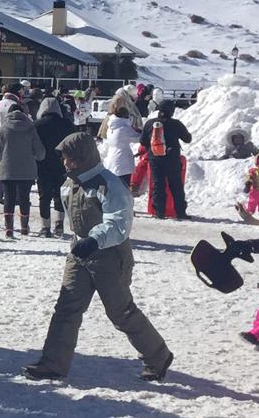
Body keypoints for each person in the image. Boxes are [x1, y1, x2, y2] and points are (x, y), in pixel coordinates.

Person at [22, 132, 173, 382]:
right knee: (66, 308)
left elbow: (119, 223)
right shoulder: (70, 184)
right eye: (64, 159)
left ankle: (158, 356)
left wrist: (95, 239)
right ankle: (52, 364)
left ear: (83, 157)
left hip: (109, 256)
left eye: (70, 158)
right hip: (80, 253)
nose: (65, 163)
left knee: (121, 312)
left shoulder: (109, 184)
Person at [0, 100, 44, 239]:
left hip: (7, 169)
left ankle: (9, 229)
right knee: (24, 198)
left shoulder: (1, 130)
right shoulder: (31, 129)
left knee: (9, 197)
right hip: (27, 170)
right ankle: (24, 227)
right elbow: (40, 152)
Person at [140, 99, 192, 220]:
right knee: (176, 186)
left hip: (155, 159)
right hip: (172, 159)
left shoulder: (149, 124)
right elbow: (187, 139)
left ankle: (159, 212)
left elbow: (143, 141)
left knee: (158, 185)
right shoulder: (176, 124)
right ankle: (180, 212)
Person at [35, 98, 76, 237]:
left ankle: (45, 227)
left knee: (44, 196)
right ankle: (59, 224)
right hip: (62, 165)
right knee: (60, 195)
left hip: (42, 164)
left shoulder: (37, 125)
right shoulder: (67, 124)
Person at [100, 99, 141, 187]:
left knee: (114, 189)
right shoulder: (124, 128)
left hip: (111, 161)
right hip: (123, 163)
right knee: (123, 188)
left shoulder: (111, 127)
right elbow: (138, 138)